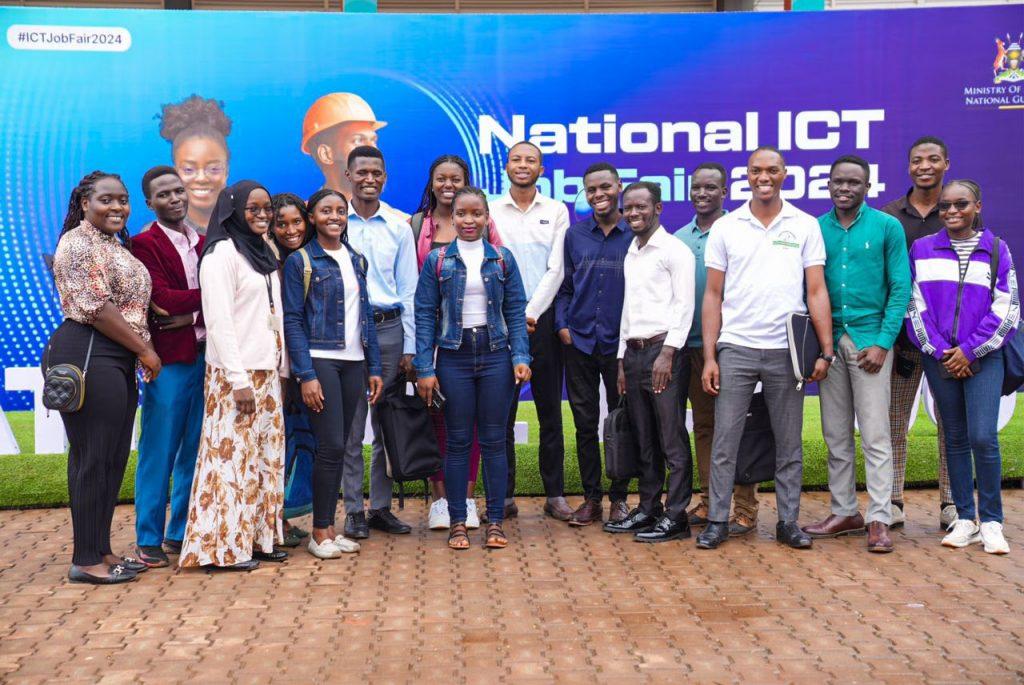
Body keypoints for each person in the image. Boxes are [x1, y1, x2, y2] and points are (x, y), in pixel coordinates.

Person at [696, 147, 833, 551]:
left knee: (788, 443)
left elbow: (816, 289)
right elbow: (713, 295)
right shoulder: (727, 226)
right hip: (736, 348)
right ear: (747, 175)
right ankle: (718, 520)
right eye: (757, 170)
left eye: (772, 170)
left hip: (787, 352)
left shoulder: (804, 224)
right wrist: (709, 356)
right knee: (726, 440)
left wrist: (824, 351)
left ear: (784, 174)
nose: (764, 177)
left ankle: (788, 521)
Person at [47, 171, 162, 584]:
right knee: (92, 458)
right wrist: (146, 350)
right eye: (106, 200)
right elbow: (96, 308)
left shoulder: (113, 244)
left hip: (115, 354)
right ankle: (85, 561)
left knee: (112, 458)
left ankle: (102, 550)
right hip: (88, 351)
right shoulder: (77, 243)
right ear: (84, 203)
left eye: (123, 200)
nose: (117, 207)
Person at [802, 155, 911, 554]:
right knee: (835, 434)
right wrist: (819, 348)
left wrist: (884, 342)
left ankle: (879, 517)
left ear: (868, 187)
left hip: (870, 343)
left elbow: (900, 288)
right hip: (829, 343)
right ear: (828, 185)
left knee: (876, 434)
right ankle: (845, 511)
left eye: (853, 182)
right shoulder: (813, 229)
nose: (844, 188)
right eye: (838, 182)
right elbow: (807, 289)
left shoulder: (887, 227)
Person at [179, 181, 289, 571]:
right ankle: (223, 550)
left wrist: (281, 369)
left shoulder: (263, 251)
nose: (263, 215)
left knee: (264, 461)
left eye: (267, 208)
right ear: (232, 211)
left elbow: (270, 315)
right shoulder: (221, 255)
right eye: (252, 209)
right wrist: (238, 380)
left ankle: (258, 540)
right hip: (235, 377)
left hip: (268, 373)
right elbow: (220, 324)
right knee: (230, 463)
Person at [414, 187, 531, 550]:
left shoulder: (502, 259)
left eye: (476, 214)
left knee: (494, 441)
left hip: (496, 353)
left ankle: (495, 522)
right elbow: (423, 316)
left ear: (486, 218)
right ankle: (457, 522)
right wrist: (424, 367)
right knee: (458, 441)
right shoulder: (438, 261)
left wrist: (521, 357)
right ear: (453, 216)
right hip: (454, 355)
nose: (468, 221)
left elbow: (515, 310)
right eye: (462, 214)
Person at [907, 180, 1018, 554]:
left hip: (984, 359)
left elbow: (1007, 309)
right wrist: (942, 352)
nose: (952, 211)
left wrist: (969, 352)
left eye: (961, 204)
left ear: (977, 206)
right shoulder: (922, 249)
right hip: (940, 360)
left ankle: (991, 521)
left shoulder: (997, 249)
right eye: (945, 206)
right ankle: (965, 519)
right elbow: (913, 305)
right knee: (953, 437)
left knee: (983, 437)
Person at [283, 189, 384, 559]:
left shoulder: (355, 258)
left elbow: (365, 316)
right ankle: (319, 532)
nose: (334, 217)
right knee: (330, 446)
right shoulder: (301, 261)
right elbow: (292, 319)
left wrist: (374, 365)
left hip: (354, 363)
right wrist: (305, 373)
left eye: (340, 211)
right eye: (326, 210)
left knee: (341, 447)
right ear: (312, 216)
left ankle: (329, 527)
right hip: (320, 360)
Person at [410, 154, 505, 530]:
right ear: (432, 183)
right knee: (440, 421)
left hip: (481, 341)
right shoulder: (418, 224)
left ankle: (465, 499)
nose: (448, 185)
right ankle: (439, 501)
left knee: (477, 428)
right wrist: (419, 355)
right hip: (437, 341)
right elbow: (415, 289)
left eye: (456, 179)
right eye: (441, 179)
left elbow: (500, 277)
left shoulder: (487, 231)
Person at [602, 182, 695, 542]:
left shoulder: (675, 251)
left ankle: (676, 516)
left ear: (658, 208)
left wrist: (668, 353)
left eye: (642, 207)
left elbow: (684, 305)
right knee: (643, 438)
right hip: (635, 352)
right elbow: (629, 307)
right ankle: (648, 509)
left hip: (663, 353)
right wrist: (623, 360)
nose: (634, 213)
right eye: (628, 208)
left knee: (671, 438)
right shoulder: (633, 251)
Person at [675, 163, 760, 537]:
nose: (703, 193)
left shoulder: (739, 231)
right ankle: (711, 501)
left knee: (738, 428)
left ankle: (744, 507)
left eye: (711, 187)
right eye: (697, 187)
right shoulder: (679, 238)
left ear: (724, 192)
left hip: (734, 345)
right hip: (693, 346)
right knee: (706, 426)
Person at [129, 167, 206, 568]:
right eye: (164, 194)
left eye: (179, 190)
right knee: (158, 451)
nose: (175, 198)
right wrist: (206, 300)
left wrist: (192, 313)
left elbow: (184, 305)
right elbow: (162, 299)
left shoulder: (205, 241)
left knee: (194, 449)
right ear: (150, 202)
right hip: (170, 363)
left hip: (204, 358)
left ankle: (179, 532)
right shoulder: (144, 244)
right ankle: (148, 538)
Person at [492, 141, 571, 520]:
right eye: (516, 159)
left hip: (542, 324)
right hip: (501, 325)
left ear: (541, 169)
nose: (523, 165)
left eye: (531, 161)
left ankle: (554, 494)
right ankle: (503, 495)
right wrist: (513, 314)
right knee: (501, 414)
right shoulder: (490, 209)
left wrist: (532, 312)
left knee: (549, 413)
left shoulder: (556, 211)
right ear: (506, 166)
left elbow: (557, 269)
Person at [340, 146, 416, 538]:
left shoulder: (399, 226)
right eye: (363, 172)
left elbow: (409, 289)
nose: (370, 178)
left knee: (386, 423)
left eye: (377, 172)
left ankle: (381, 508)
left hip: (389, 331)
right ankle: (354, 509)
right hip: (347, 333)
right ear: (348, 175)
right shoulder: (336, 223)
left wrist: (410, 347)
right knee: (351, 426)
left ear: (385, 177)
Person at [553, 162, 632, 527]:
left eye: (604, 187)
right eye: (591, 190)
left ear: (618, 186)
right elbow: (565, 286)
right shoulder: (574, 235)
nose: (598, 195)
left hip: (621, 347)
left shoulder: (635, 234)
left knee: (622, 422)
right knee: (585, 424)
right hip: (580, 342)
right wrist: (563, 326)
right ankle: (591, 500)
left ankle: (619, 499)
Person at [881, 136, 955, 529]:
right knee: (894, 423)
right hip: (904, 342)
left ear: (946, 163)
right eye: (916, 160)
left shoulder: (958, 208)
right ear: (908, 166)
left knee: (951, 424)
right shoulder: (890, 215)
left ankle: (951, 503)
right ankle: (892, 500)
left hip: (950, 345)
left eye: (932, 159)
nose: (924, 166)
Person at [270, 193, 316, 547]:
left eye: (296, 222)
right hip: (278, 367)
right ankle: (272, 522)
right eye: (281, 223)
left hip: (311, 363)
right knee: (279, 445)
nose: (290, 230)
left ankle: (286, 516)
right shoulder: (268, 263)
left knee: (306, 443)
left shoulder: (313, 258)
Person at [300, 92, 408, 221]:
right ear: (326, 154)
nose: (372, 150)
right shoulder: (300, 225)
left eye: (373, 140)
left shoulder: (401, 225)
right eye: (358, 141)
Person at [158, 94, 232, 234]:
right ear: (175, 174)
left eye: (214, 169)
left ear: (226, 171)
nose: (201, 178)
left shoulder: (249, 228)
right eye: (188, 169)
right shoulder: (158, 237)